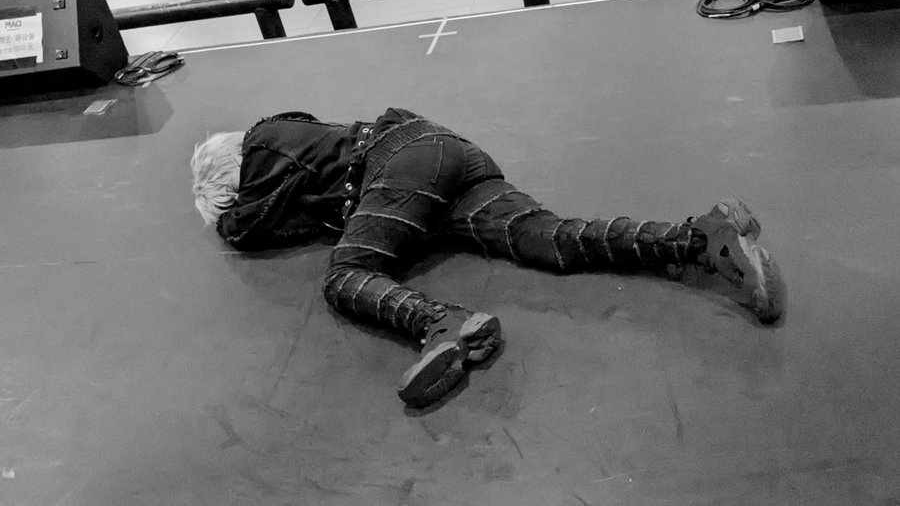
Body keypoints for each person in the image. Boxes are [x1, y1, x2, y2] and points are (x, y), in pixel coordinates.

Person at [191, 108, 785, 408]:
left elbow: (244, 227)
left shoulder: (263, 149)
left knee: (345, 277)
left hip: (400, 166)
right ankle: (699, 240)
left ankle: (439, 322)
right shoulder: (294, 142)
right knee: (548, 237)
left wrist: (220, 210)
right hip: (443, 156)